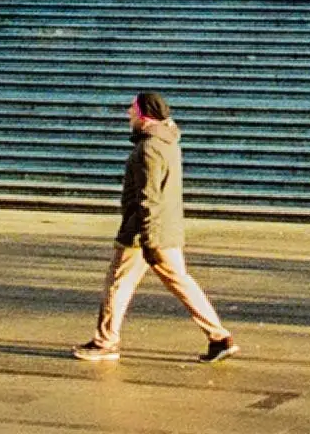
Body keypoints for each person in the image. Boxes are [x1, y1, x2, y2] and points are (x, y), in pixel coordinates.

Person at [74, 91, 238, 363]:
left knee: (117, 284)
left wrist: (148, 239)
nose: (129, 114)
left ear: (145, 114)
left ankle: (106, 342)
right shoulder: (168, 142)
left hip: (143, 232)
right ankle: (220, 337)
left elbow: (148, 198)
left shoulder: (149, 148)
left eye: (132, 110)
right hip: (165, 229)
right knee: (181, 281)